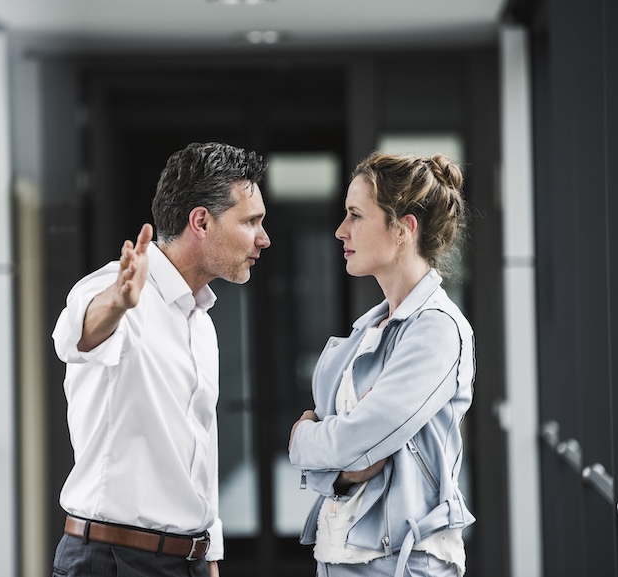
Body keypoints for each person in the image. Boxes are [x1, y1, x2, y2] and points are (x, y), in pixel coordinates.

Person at [51, 142, 271, 577]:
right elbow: (78, 335)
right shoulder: (115, 290)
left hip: (184, 561)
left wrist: (209, 553)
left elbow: (200, 447)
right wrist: (117, 301)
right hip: (111, 561)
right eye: (251, 222)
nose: (264, 238)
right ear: (201, 221)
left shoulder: (201, 321)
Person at [288, 151, 475, 577]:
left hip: (401, 563)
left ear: (404, 228)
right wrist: (343, 470)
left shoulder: (437, 330)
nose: (340, 231)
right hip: (339, 555)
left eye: (356, 215)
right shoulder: (368, 331)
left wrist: (302, 439)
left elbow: (354, 442)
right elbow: (350, 459)